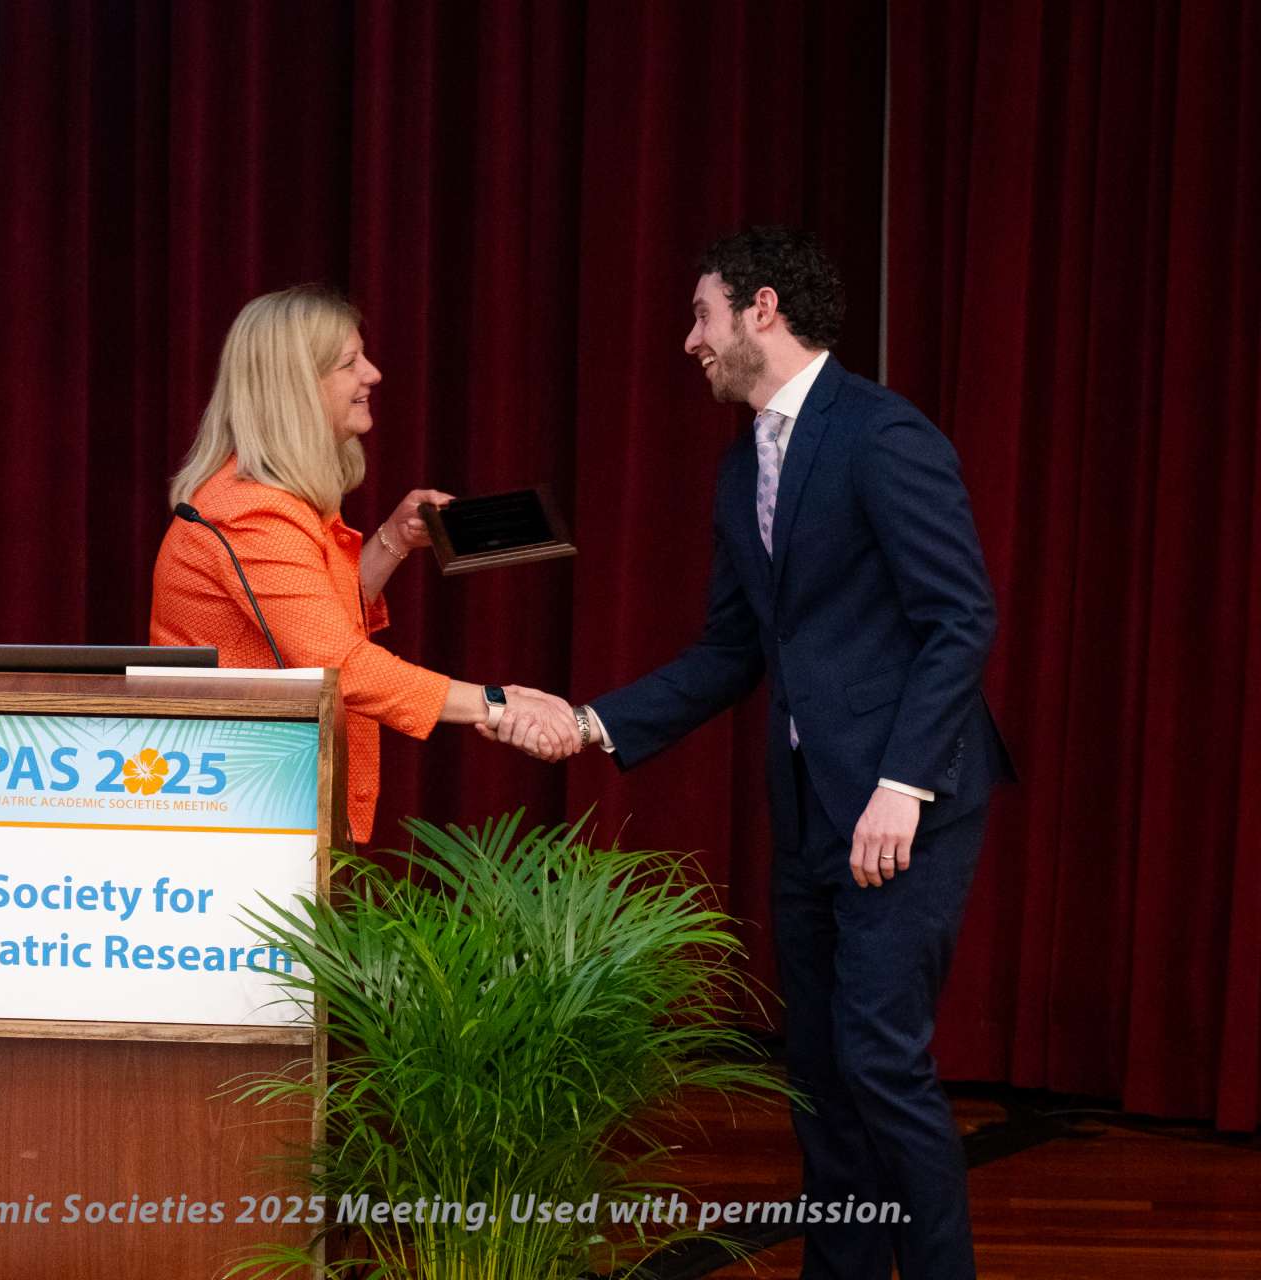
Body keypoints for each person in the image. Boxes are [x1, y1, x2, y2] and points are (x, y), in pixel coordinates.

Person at [500, 227, 1016, 1279]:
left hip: (901, 806)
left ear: (762, 308)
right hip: (812, 812)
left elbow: (961, 616)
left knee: (879, 1059)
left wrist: (900, 784)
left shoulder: (879, 434)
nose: (689, 341)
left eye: (701, 315)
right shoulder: (745, 468)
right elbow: (734, 649)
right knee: (822, 1070)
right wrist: (593, 722)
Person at [150, 284, 574, 843]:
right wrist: (497, 703)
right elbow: (337, 664)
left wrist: (393, 540)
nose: (373, 374)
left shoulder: (276, 500)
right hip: (234, 812)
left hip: (261, 800)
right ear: (296, 387)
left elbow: (317, 621)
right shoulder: (254, 511)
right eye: (351, 362)